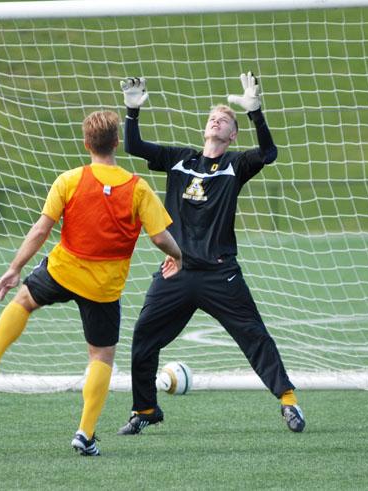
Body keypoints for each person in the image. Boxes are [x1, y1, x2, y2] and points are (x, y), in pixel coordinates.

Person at [0, 110, 182, 456]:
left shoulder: (68, 180)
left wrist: (14, 267)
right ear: (116, 143)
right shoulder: (137, 188)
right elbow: (161, 239)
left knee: (22, 301)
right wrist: (179, 255)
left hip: (62, 270)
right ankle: (85, 433)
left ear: (86, 144)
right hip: (103, 287)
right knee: (101, 356)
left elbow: (41, 230)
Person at [116, 73, 305, 435]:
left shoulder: (235, 164)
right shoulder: (179, 159)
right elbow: (133, 146)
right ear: (205, 130)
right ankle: (145, 409)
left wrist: (255, 113)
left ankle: (288, 401)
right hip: (177, 271)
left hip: (221, 274)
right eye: (212, 119)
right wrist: (132, 109)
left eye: (224, 120)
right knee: (143, 338)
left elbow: (269, 154)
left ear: (232, 135)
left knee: (255, 335)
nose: (216, 120)